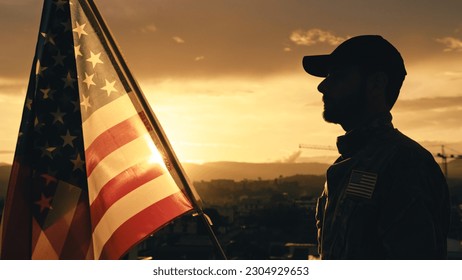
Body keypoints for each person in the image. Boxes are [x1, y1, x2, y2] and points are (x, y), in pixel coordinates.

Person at [302, 35, 451, 259]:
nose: (322, 86)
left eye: (338, 76)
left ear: (376, 84)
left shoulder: (405, 164)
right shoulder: (349, 165)